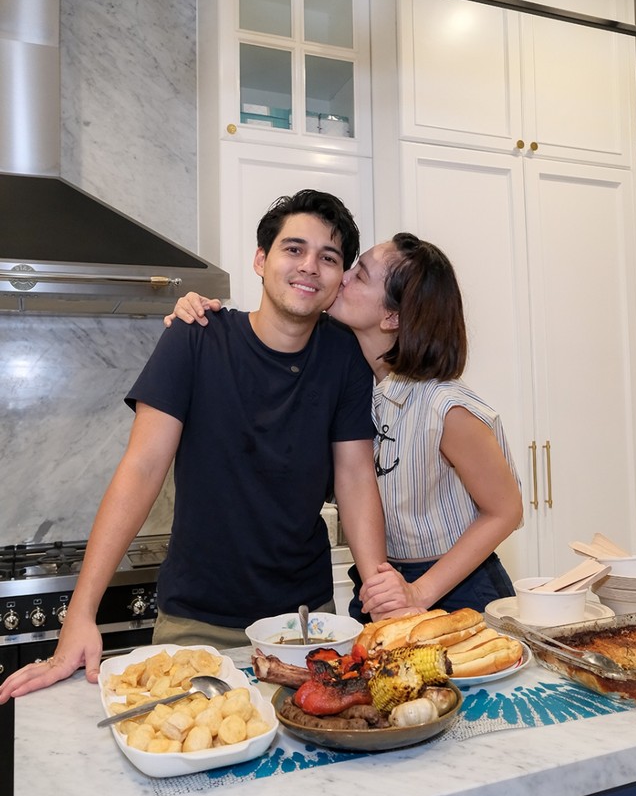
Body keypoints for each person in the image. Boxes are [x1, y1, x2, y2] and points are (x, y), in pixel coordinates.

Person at [0, 189, 394, 705]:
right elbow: (141, 469)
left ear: (339, 278)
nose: (309, 267)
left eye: (328, 257)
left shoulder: (343, 357)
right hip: (196, 625)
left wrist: (382, 595)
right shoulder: (195, 336)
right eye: (293, 249)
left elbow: (356, 476)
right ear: (261, 259)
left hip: (307, 626)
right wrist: (80, 613)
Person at [166, 232, 523, 623]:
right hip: (380, 582)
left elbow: (505, 510)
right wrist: (196, 307)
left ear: (392, 317)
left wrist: (419, 591)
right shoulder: (355, 388)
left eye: (361, 274)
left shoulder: (446, 406)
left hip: (456, 588)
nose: (342, 276)